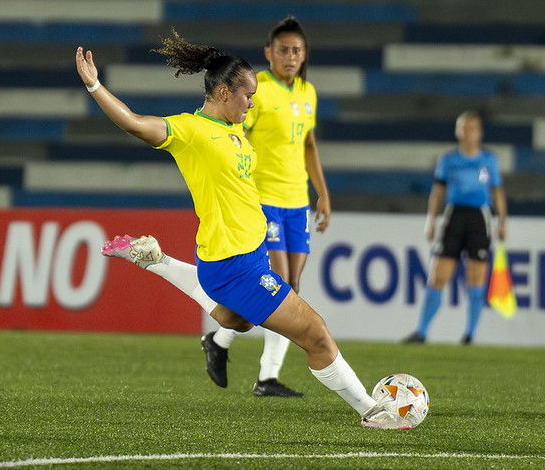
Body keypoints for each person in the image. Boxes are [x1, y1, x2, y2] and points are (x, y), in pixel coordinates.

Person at [76, 31, 392, 428]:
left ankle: (157, 260)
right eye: (248, 96)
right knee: (315, 332)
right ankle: (372, 411)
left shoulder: (234, 129)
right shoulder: (191, 131)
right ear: (224, 93)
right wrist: (95, 85)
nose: (253, 103)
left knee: (238, 322)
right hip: (234, 263)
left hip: (248, 255)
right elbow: (135, 124)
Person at [101, 18, 329, 398]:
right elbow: (227, 137)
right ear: (270, 53)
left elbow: (307, 143)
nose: (291, 57)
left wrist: (322, 192)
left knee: (267, 301)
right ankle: (267, 377)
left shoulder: (308, 93)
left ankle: (219, 342)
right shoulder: (257, 91)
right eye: (284, 50)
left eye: (298, 51)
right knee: (279, 288)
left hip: (296, 200)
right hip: (263, 200)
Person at [403, 111, 507, 345]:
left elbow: (497, 192)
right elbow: (438, 191)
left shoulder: (489, 160)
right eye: (464, 128)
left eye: (473, 128)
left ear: (479, 133)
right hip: (454, 217)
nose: (469, 133)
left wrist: (502, 221)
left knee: (477, 278)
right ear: (458, 131)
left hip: (479, 218)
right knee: (438, 276)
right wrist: (431, 220)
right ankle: (421, 332)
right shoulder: (448, 160)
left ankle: (469, 335)